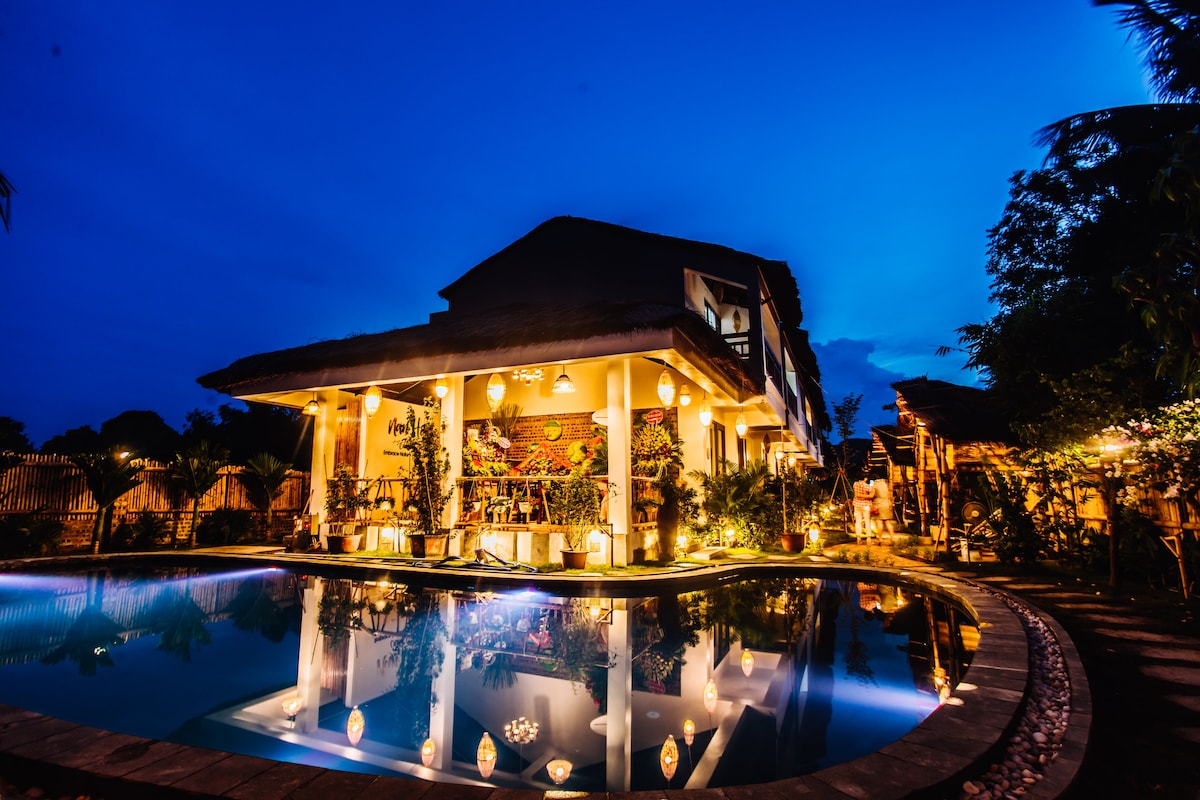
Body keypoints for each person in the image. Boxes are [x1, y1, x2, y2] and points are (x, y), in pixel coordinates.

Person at [872, 471, 896, 541]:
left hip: (879, 504)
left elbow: (872, 495)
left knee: (879, 522)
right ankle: (892, 537)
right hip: (887, 504)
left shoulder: (875, 485)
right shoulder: (885, 484)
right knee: (887, 522)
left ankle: (880, 538)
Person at [852, 470, 874, 541]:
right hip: (865, 505)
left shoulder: (855, 484)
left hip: (857, 504)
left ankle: (858, 537)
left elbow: (856, 494)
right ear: (865, 478)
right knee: (867, 521)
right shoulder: (867, 486)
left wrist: (859, 495)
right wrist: (866, 496)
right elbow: (871, 495)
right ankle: (868, 538)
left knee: (858, 521)